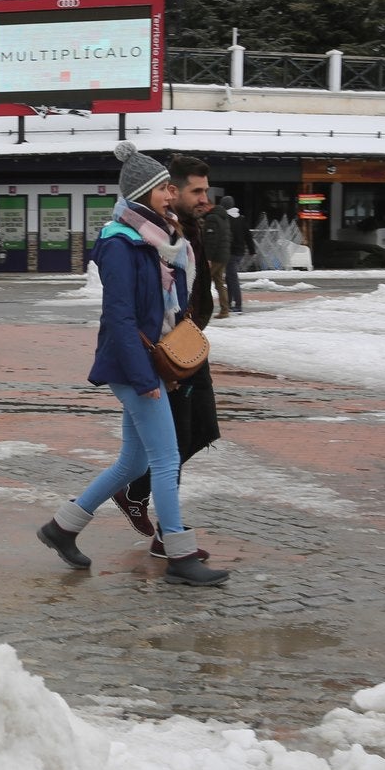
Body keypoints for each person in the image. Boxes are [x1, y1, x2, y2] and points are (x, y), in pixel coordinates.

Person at [36, 142, 230, 587]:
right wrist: (146, 379)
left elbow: (169, 306)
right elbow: (119, 318)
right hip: (131, 367)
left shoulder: (158, 240)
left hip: (148, 365)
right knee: (165, 459)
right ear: (144, 194)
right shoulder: (120, 243)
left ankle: (61, 528)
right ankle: (179, 556)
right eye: (163, 188)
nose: (170, 194)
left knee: (133, 465)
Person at [109, 154, 223, 561]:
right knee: (166, 446)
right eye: (196, 190)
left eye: (205, 190)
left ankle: (133, 494)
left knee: (200, 431)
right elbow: (132, 309)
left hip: (190, 344)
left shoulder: (185, 228)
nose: (203, 198)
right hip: (165, 352)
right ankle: (167, 535)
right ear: (169, 191)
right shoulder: (156, 235)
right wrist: (148, 367)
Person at [202, 190, 232, 319]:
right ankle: (225, 310)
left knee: (203, 282)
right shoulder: (223, 217)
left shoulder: (212, 218)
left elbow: (211, 240)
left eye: (203, 206)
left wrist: (208, 258)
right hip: (223, 254)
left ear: (208, 205)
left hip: (215, 256)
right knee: (219, 282)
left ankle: (202, 310)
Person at [224, 194, 256, 313]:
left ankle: (238, 305)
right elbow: (248, 235)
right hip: (239, 252)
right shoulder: (241, 218)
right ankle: (229, 303)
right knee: (229, 277)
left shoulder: (226, 219)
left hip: (231, 253)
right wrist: (252, 250)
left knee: (232, 278)